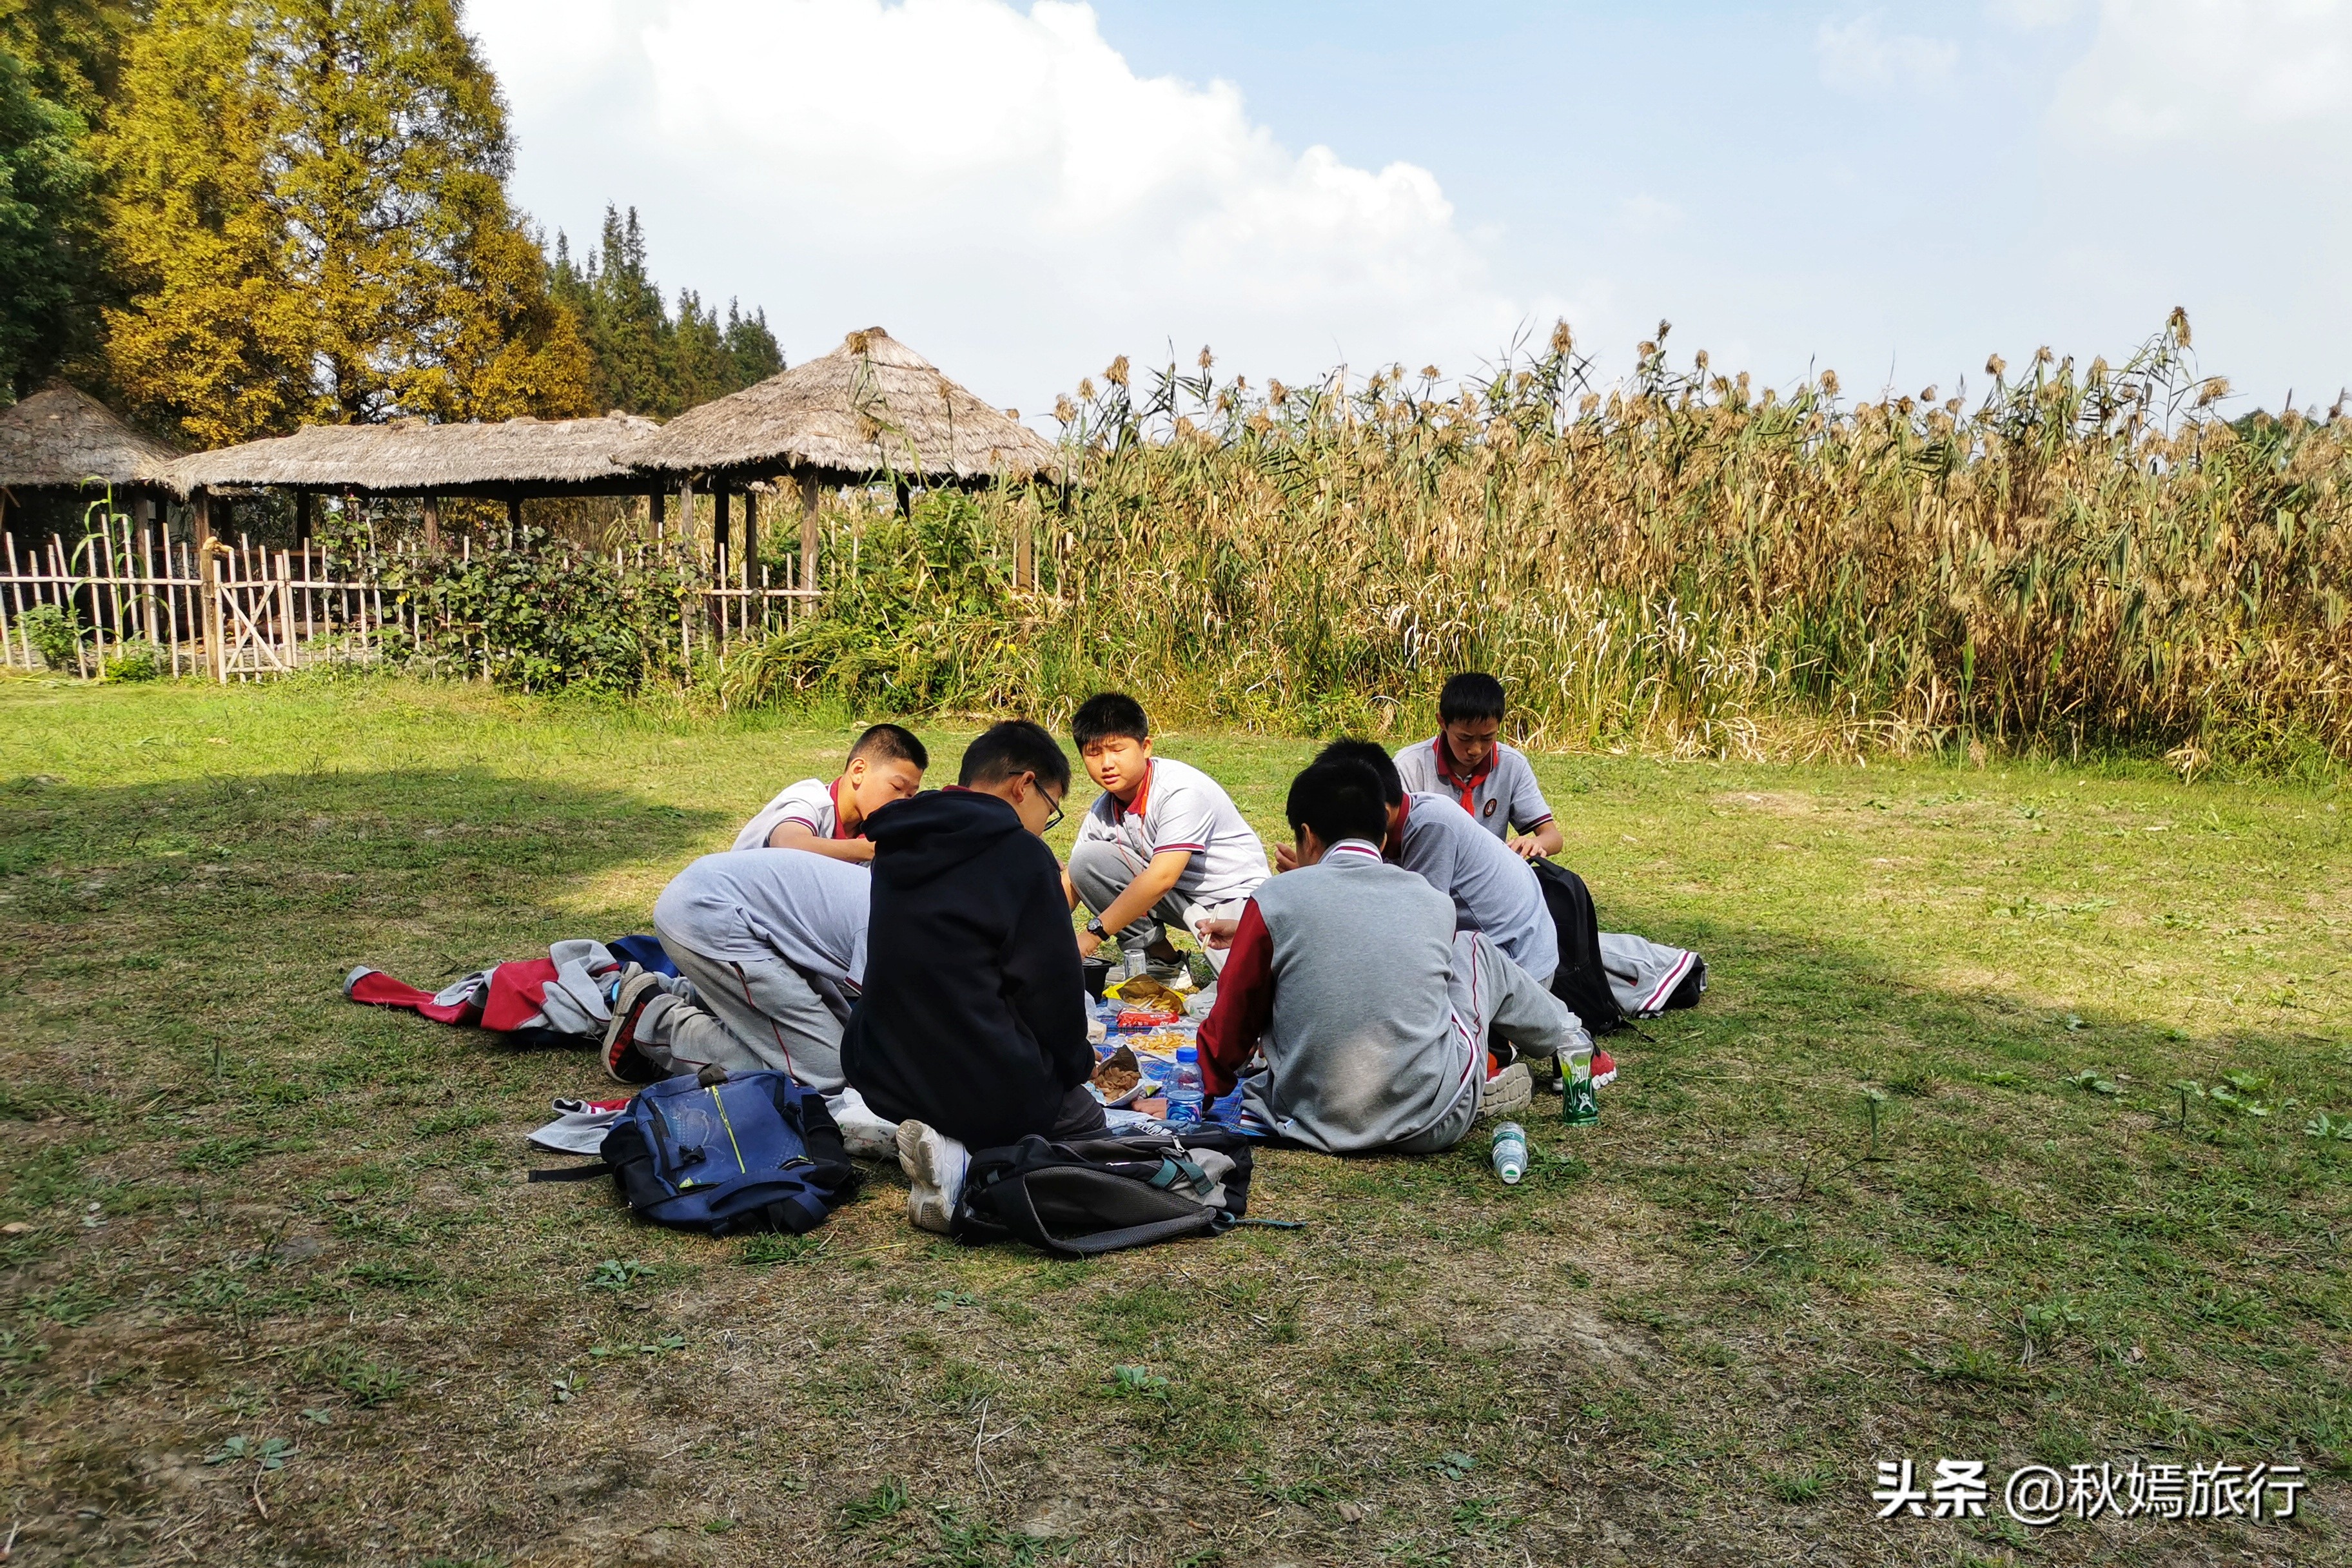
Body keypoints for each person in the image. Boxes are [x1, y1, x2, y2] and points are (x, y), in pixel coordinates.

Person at [1195, 755, 1584, 1152]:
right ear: (1382, 839)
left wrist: (1204, 1091)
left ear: (1308, 837)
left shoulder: (1273, 899)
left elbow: (1234, 1016)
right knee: (1473, 947)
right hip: (1433, 1121)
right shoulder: (1432, 901)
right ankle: (1567, 1037)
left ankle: (1535, 1047)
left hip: (1307, 1118)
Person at [839, 720, 1102, 1231]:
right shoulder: (1024, 857)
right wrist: (1076, 1066)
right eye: (1049, 811)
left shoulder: (899, 838)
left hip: (884, 1071)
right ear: (1023, 785)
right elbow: (1051, 994)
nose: (1044, 826)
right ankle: (967, 1160)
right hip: (985, 1084)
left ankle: (945, 1141)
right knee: (1087, 1123)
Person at [601, 848, 870, 1090]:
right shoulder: (891, 932)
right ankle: (658, 1021)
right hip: (708, 916)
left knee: (853, 1050)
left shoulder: (896, 901)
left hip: (725, 909)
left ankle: (668, 991)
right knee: (832, 1076)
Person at [1293, 740, 1556, 985]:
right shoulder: (1401, 824)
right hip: (1495, 948)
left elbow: (1419, 928)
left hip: (1519, 963)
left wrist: (1321, 883)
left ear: (1381, 814)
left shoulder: (1430, 827)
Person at [1064, 692, 1268, 985]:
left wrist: (1093, 935)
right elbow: (1071, 881)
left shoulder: (1180, 790)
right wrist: (1031, 938)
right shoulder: (1103, 808)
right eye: (1094, 753)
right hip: (1179, 901)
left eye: (1117, 750)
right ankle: (1163, 962)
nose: (1106, 763)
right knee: (1086, 862)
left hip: (1234, 900)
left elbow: (1162, 878)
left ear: (1145, 747)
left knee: (1248, 995)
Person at [1394, 673, 1563, 859]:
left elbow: (1553, 837)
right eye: (1464, 738)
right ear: (1442, 722)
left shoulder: (1512, 766)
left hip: (1487, 879)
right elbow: (1389, 839)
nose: (1475, 750)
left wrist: (1534, 843)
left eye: (1487, 738)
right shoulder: (1410, 766)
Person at [732, 723, 929, 861]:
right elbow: (785, 844)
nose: (902, 802)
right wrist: (869, 849)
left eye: (911, 795)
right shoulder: (811, 800)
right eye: (896, 787)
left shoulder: (870, 829)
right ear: (858, 771)